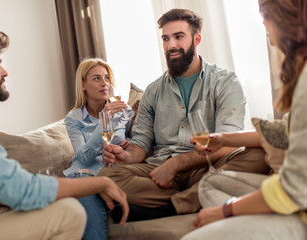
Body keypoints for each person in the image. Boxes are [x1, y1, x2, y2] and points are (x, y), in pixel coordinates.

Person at [0, 23, 129, 240]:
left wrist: (49, 189)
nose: (4, 71)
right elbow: (20, 188)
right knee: (69, 213)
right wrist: (100, 182)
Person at [99, 8, 270, 221]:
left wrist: (177, 163)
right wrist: (127, 156)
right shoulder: (153, 90)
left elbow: (228, 142)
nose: (171, 45)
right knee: (107, 176)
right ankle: (199, 197)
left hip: (207, 167)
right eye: (166, 38)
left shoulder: (226, 82)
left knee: (259, 154)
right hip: (159, 172)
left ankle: (172, 206)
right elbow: (141, 143)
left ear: (196, 39)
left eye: (179, 37)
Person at [181, 0, 307, 239]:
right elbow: (288, 131)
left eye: (265, 14)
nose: (263, 23)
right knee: (212, 182)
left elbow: (296, 188)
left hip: (299, 202)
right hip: (296, 194)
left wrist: (225, 211)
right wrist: (223, 138)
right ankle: (259, 212)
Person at [63, 58, 133, 240]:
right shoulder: (73, 119)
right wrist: (104, 121)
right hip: (86, 172)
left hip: (114, 171)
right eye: (96, 78)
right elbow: (83, 158)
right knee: (85, 183)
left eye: (106, 78)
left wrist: (128, 144)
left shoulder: (124, 112)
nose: (104, 83)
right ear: (83, 85)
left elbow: (135, 141)